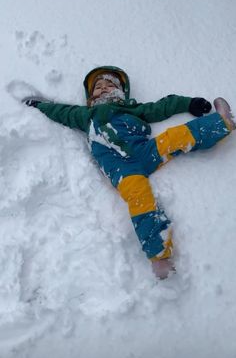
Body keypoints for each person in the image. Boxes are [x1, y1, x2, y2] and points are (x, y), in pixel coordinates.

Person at [22, 66, 236, 279]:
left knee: (175, 137)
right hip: (121, 168)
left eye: (110, 85)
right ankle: (160, 255)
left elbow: (161, 107)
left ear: (121, 92)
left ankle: (221, 122)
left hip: (145, 152)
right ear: (90, 96)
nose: (104, 88)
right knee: (140, 198)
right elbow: (61, 112)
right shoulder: (85, 115)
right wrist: (40, 106)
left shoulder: (133, 109)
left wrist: (188, 103)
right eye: (98, 87)